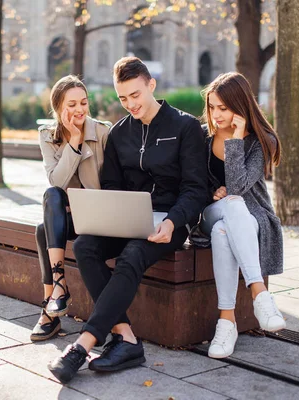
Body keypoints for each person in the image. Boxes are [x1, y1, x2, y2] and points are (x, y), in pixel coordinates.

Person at [48, 57, 209, 383]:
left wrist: (174, 221)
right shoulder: (120, 133)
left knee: (134, 254)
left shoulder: (185, 126)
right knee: (86, 246)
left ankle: (84, 343)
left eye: (135, 95)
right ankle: (127, 339)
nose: (130, 104)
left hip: (169, 222)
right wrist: (109, 216)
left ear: (151, 85)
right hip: (129, 218)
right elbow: (111, 187)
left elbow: (196, 189)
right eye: (123, 98)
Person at [199, 72, 286, 359]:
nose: (216, 114)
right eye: (212, 107)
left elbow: (237, 187)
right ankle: (259, 292)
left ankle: (227, 321)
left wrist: (236, 138)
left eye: (223, 107)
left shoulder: (262, 140)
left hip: (252, 217)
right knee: (230, 209)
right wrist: (210, 192)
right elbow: (195, 183)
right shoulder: (202, 137)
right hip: (210, 212)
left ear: (240, 105)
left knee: (223, 231)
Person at [31, 75, 111, 341]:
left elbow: (110, 182)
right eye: (72, 104)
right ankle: (59, 288)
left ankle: (50, 309)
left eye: (84, 103)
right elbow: (57, 181)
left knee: (45, 229)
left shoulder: (102, 132)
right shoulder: (48, 136)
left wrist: (81, 137)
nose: (79, 110)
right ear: (58, 108)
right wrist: (73, 141)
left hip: (98, 214)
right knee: (50, 201)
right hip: (68, 216)